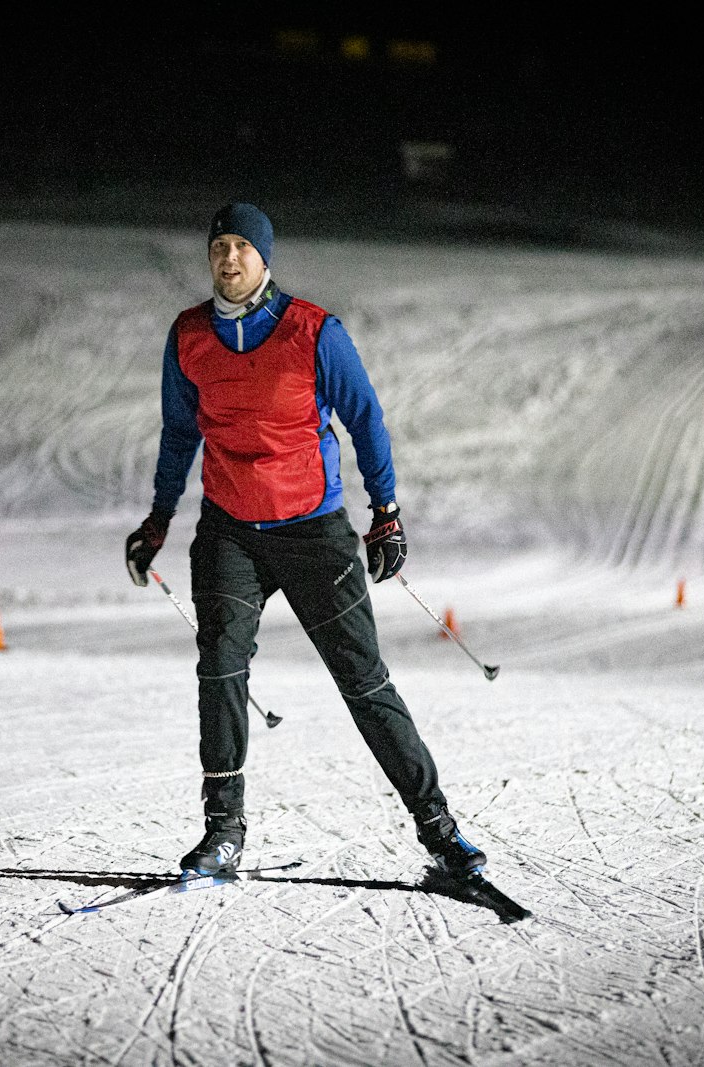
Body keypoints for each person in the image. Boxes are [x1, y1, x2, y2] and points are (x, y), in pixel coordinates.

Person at [124, 202, 486, 881]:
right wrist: (158, 519)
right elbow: (179, 434)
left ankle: (439, 828)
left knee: (363, 679)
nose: (228, 258)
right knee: (220, 667)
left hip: (314, 530)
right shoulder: (190, 337)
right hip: (231, 529)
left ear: (265, 258)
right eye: (219, 247)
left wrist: (386, 511)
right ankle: (223, 833)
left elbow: (365, 417)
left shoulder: (314, 332)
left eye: (241, 247)